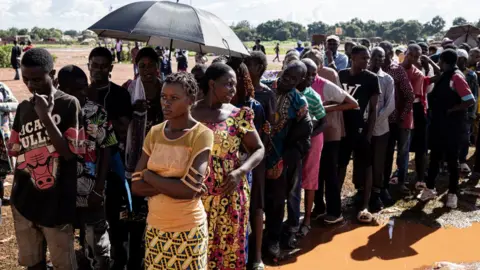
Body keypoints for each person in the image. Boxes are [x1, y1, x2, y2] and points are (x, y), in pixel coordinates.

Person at [8, 48, 84, 270]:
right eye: (26, 79)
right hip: (24, 201)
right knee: (33, 263)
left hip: (57, 204)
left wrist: (45, 117)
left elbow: (70, 153)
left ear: (53, 74)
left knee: (64, 265)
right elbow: (15, 151)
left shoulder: (69, 104)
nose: (31, 85)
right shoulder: (23, 108)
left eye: (37, 79)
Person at [131, 72, 213, 270]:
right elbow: (135, 185)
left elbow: (188, 191)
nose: (166, 103)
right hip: (156, 228)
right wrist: (175, 185)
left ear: (191, 100)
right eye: (163, 97)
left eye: (174, 98)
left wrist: (150, 176)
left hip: (188, 229)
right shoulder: (155, 132)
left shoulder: (201, 135)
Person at [191, 63, 265, 269]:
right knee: (198, 248)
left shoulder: (238, 115)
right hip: (197, 194)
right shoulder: (190, 113)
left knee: (228, 248)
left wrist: (240, 172)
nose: (233, 89)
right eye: (228, 84)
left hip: (230, 194)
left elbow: (259, 149)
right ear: (212, 84)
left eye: (235, 85)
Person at [57, 65, 116, 270]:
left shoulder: (96, 111)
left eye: (84, 87)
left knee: (97, 247)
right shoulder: (53, 113)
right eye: (75, 89)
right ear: (60, 88)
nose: (82, 92)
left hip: (91, 193)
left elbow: (107, 148)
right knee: (62, 248)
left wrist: (99, 189)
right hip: (60, 194)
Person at [87, 46, 133, 269]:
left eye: (103, 66)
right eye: (95, 65)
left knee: (118, 223)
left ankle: (120, 263)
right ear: (89, 65)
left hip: (115, 166)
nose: (98, 70)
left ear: (111, 68)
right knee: (89, 224)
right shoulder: (82, 93)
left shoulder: (120, 94)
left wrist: (102, 123)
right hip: (86, 168)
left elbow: (124, 129)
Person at [302, 48, 359, 224]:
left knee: (329, 173)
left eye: (315, 64)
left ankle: (335, 212)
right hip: (311, 135)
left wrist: (324, 109)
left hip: (329, 133)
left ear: (319, 66)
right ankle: (319, 207)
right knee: (315, 174)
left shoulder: (324, 84)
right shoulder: (301, 85)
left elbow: (353, 103)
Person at [264, 60, 312, 257]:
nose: (288, 81)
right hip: (255, 157)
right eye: (286, 76)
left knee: (276, 202)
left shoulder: (299, 102)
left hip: (279, 160)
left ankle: (273, 239)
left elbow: (304, 136)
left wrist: (285, 160)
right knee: (256, 200)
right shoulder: (265, 90)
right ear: (282, 71)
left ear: (300, 80)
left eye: (294, 79)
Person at [419, 49, 475, 209]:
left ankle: (452, 194)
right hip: (439, 125)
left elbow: (469, 99)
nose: (439, 65)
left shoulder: (456, 77)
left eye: (440, 62)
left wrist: (452, 109)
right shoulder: (446, 74)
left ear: (444, 62)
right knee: (435, 158)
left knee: (452, 161)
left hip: (452, 126)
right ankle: (430, 189)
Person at [229, 62, 267, 270]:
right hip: (227, 168)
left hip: (252, 164)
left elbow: (257, 142)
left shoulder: (254, 107)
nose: (231, 88)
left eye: (234, 82)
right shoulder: (217, 109)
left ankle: (257, 256)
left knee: (255, 208)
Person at [338, 45, 380, 223]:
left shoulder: (371, 79)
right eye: (364, 58)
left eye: (368, 58)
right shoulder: (341, 75)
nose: (367, 61)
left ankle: (365, 205)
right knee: (340, 166)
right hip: (342, 130)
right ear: (353, 57)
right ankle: (335, 203)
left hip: (361, 131)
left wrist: (369, 134)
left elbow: (373, 110)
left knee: (367, 166)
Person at [379, 41, 414, 205]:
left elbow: (409, 96)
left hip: (390, 121)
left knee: (386, 156)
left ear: (390, 54)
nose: (381, 59)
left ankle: (384, 187)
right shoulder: (370, 70)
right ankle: (367, 188)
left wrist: (401, 117)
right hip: (371, 122)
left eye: (384, 55)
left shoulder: (397, 70)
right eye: (378, 55)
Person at [296, 58, 327, 236]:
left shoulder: (314, 97)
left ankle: (307, 219)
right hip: (293, 142)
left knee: (310, 179)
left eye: (314, 75)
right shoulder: (289, 93)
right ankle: (293, 218)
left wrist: (308, 135)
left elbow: (324, 122)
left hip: (313, 141)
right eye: (308, 74)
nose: (311, 78)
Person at [368, 47, 395, 211]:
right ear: (370, 58)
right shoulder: (364, 76)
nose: (378, 60)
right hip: (364, 129)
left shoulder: (387, 79)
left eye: (381, 57)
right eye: (375, 57)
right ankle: (362, 191)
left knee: (378, 162)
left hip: (380, 128)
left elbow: (390, 105)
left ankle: (376, 194)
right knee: (363, 161)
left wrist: (375, 122)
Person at [402, 44, 427, 191]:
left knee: (420, 145)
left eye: (417, 56)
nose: (414, 59)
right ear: (406, 54)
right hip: (399, 108)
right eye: (412, 55)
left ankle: (420, 178)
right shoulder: (396, 69)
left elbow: (411, 97)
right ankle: (400, 176)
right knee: (402, 146)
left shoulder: (418, 74)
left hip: (415, 108)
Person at [457, 49, 478, 173]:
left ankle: (462, 161)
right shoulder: (451, 73)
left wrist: (472, 113)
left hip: (467, 111)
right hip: (453, 111)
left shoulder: (470, 75)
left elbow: (474, 95)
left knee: (465, 137)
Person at [0, 82, 18, 206]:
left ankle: (1, 198)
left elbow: (16, 105)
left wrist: (1, 106)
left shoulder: (2, 87)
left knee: (1, 171)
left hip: (2, 137)